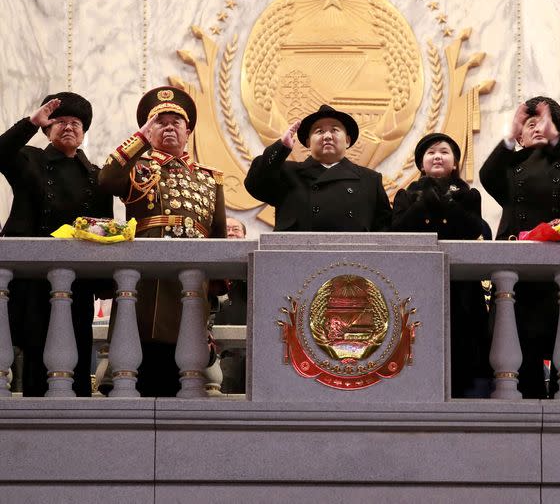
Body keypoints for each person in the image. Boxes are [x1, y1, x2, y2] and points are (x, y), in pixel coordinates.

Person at [98, 86, 226, 396]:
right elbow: (106, 180)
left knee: (184, 379)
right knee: (140, 371)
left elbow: (218, 233)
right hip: (148, 290)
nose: (169, 127)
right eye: (160, 122)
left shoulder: (210, 178)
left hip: (191, 287)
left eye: (175, 122)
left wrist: (217, 285)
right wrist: (140, 139)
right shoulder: (138, 168)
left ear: (188, 131)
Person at [479, 97, 560, 398]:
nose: (536, 129)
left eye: (542, 124)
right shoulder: (510, 169)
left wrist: (557, 140)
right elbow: (487, 176)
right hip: (520, 276)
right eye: (529, 125)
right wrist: (509, 135)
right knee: (521, 358)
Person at [0, 92, 113, 396]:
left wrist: (104, 284)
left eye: (75, 123)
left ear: (84, 132)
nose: (68, 127)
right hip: (33, 277)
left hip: (78, 281)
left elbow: (105, 227)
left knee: (77, 348)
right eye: (59, 122)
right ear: (47, 130)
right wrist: (29, 123)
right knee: (37, 352)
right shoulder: (29, 160)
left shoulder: (97, 176)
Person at [392, 133, 492, 397]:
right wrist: (426, 200)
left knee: (464, 344)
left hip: (461, 284)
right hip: (418, 284)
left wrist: (445, 202)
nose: (437, 156)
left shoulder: (469, 195)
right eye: (431, 152)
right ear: (421, 164)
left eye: (444, 152)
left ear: (455, 162)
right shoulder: (405, 195)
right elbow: (399, 231)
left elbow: (472, 229)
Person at [243, 104, 391, 232]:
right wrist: (281, 147)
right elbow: (254, 184)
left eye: (334, 130)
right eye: (319, 131)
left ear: (347, 141)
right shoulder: (286, 172)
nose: (327, 136)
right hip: (296, 259)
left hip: (352, 261)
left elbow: (384, 230)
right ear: (308, 143)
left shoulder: (370, 180)